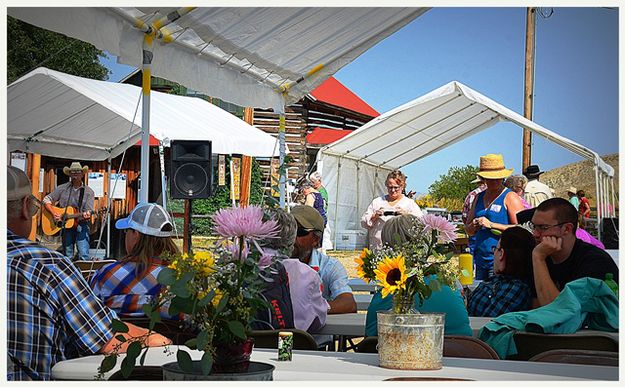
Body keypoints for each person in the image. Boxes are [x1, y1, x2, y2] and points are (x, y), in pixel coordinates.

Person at [7, 166, 169, 380]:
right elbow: (103, 337)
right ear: (26, 208)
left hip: (79, 228)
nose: (74, 175)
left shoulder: (105, 274)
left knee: (82, 252)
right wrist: (57, 213)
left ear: (135, 236)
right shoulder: (48, 265)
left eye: (76, 172)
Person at [365, 214, 472, 337]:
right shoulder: (449, 283)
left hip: (394, 353)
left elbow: (371, 338)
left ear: (386, 247)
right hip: (457, 352)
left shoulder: (387, 289)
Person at [90, 203, 180, 318]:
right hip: (171, 336)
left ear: (136, 234)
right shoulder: (183, 279)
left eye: (126, 230)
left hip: (120, 335)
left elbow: (91, 319)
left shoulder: (106, 275)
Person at [528, 198, 618, 308]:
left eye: (543, 227)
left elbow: (560, 312)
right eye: (533, 226)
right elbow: (533, 304)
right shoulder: (541, 254)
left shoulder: (595, 261)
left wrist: (539, 259)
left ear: (566, 228)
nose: (535, 234)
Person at [260, 208, 328, 333]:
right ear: (291, 237)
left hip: (244, 349)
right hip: (289, 348)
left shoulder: (240, 266)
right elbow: (318, 320)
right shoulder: (307, 274)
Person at [465, 154, 525, 280]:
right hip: (481, 259)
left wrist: (492, 225)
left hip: (502, 261)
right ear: (484, 179)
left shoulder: (510, 197)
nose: (496, 181)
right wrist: (474, 225)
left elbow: (522, 230)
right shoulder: (478, 197)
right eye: (491, 178)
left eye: (499, 178)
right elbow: (468, 230)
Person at [291, 205, 356, 313]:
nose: (292, 236)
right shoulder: (272, 263)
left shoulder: (330, 266)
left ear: (316, 239)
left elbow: (348, 304)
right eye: (289, 229)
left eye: (299, 231)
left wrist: (310, 310)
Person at [467, 227, 535, 317]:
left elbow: (488, 320)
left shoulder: (515, 289)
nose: (494, 253)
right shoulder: (497, 281)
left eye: (495, 249)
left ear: (501, 254)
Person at [42, 161, 95, 260]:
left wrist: (88, 214)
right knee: (68, 254)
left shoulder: (88, 192)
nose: (75, 174)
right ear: (70, 174)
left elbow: (89, 210)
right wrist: (54, 214)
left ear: (82, 174)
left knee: (83, 254)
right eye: (73, 172)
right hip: (66, 224)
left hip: (81, 223)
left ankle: (84, 274)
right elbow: (46, 200)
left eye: (78, 171)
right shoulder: (62, 188)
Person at [361, 170, 423, 250]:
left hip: (401, 249)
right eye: (390, 187)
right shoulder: (377, 202)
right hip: (377, 248)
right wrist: (375, 216)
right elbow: (363, 222)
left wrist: (406, 216)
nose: (393, 190)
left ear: (402, 186)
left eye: (396, 187)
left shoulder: (409, 203)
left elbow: (421, 223)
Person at [309, 171, 333, 252]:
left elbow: (323, 206)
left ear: (319, 181)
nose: (312, 184)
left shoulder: (321, 192)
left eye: (314, 182)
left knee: (322, 241)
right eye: (311, 182)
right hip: (317, 217)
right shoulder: (315, 190)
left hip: (321, 217)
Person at [462, 177, 486, 256]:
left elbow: (465, 215)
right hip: (492, 234)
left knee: (474, 256)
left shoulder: (472, 195)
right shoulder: (499, 194)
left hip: (474, 230)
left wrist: (469, 226)